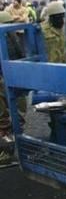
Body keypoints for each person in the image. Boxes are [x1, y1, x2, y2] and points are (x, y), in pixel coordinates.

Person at [0, 10, 26, 145]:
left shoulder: (14, 39)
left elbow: (20, 55)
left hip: (13, 76)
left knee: (18, 106)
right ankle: (7, 134)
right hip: (5, 77)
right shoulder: (12, 38)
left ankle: (16, 133)